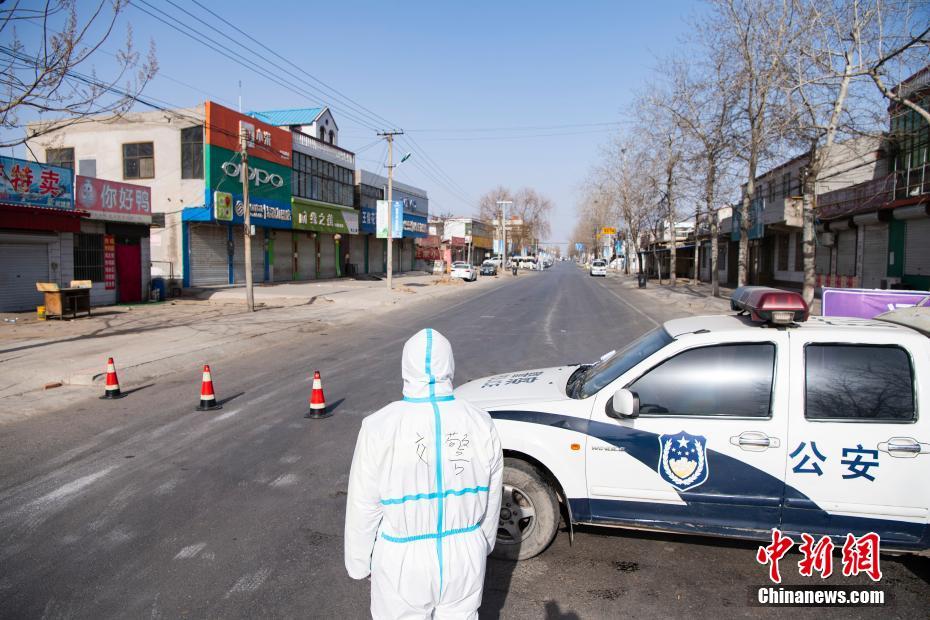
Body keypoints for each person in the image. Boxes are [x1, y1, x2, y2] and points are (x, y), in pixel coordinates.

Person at [345, 328, 503, 619]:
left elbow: (363, 504)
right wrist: (482, 544)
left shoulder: (379, 426)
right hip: (465, 557)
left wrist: (358, 563)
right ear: (450, 366)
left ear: (406, 367)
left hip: (402, 562)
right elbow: (493, 499)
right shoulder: (480, 422)